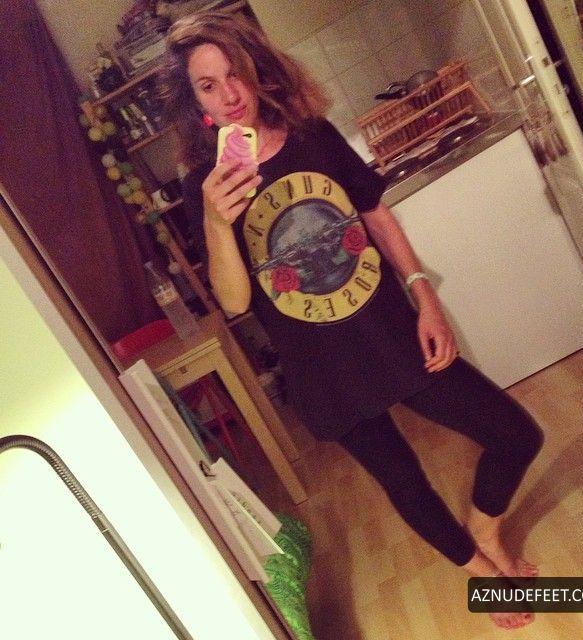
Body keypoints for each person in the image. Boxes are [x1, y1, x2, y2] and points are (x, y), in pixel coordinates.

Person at [161, 10, 544, 630]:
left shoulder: (311, 136)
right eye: (209, 85)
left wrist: (425, 296)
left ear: (258, 69)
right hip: (321, 369)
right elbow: (234, 302)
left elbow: (376, 214)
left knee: (515, 434)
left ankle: (485, 531)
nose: (230, 95)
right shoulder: (203, 185)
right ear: (194, 100)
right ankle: (483, 576)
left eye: (236, 73)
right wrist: (213, 219)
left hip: (392, 333)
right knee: (405, 483)